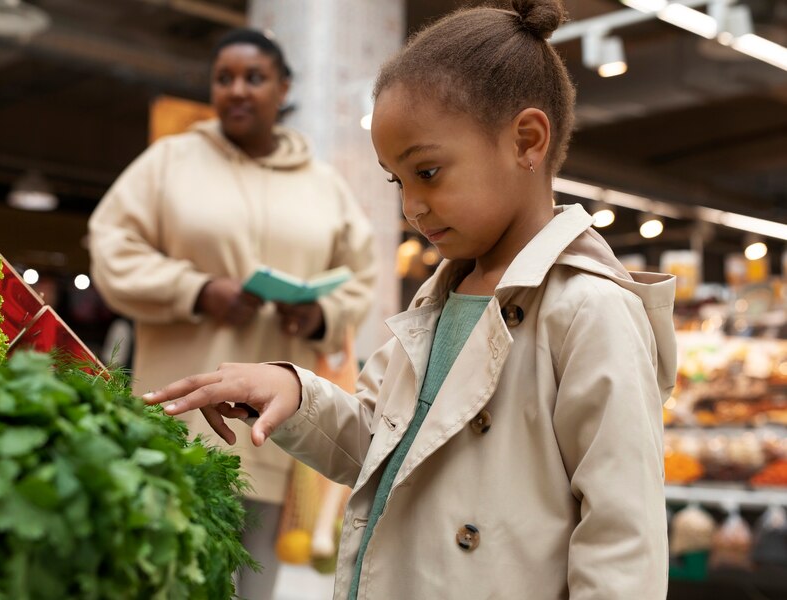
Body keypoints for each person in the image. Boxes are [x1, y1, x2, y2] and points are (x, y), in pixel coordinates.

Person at [144, 1, 677, 598]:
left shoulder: (590, 309)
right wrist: (294, 393)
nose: (410, 207)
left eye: (427, 172)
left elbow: (623, 544)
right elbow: (380, 444)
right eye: (397, 180)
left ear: (527, 140)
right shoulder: (439, 295)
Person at [88, 28, 376, 599]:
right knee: (161, 579)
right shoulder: (169, 162)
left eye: (254, 77)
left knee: (252, 589)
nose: (237, 90)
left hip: (270, 429)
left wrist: (318, 314)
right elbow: (110, 247)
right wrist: (196, 290)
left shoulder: (324, 186)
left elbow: (362, 278)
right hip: (177, 415)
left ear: (283, 87)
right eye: (224, 78)